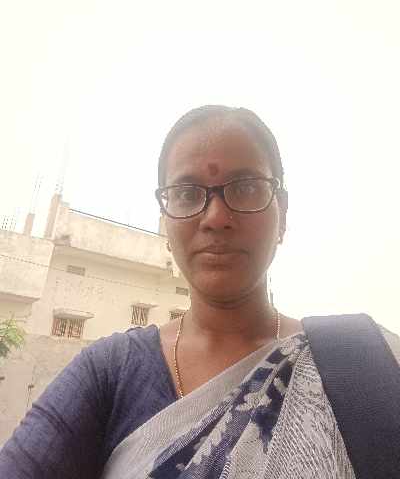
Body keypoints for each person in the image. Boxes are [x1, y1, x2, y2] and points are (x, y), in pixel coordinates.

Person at [0, 105, 399, 478]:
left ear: (282, 213)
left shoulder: (362, 364)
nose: (216, 217)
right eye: (188, 193)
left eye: (246, 187)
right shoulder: (109, 373)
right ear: (165, 221)